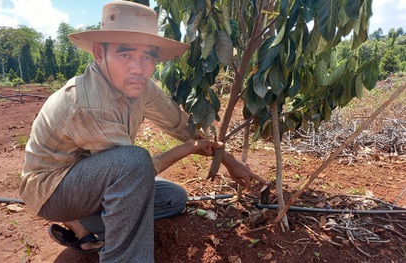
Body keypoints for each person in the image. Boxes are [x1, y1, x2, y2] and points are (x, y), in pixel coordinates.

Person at [20, 1, 267, 262]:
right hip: (54, 192)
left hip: (91, 182)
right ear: (99, 54)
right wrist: (188, 149)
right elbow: (132, 170)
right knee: (133, 162)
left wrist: (229, 161)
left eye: (148, 57)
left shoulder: (140, 86)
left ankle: (84, 225)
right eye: (125, 55)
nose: (138, 68)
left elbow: (181, 125)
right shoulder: (87, 103)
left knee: (173, 197)